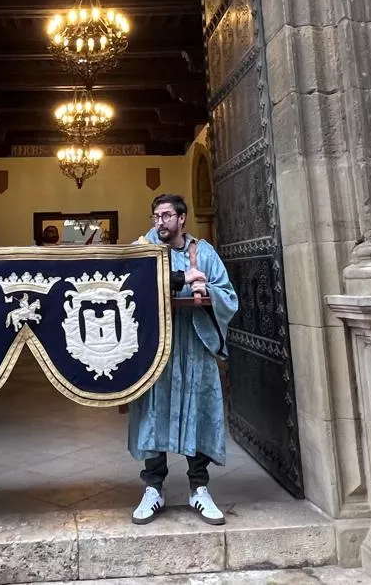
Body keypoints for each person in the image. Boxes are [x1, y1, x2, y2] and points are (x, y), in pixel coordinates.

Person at [127, 193, 238, 526]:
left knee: (198, 412)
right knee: (154, 412)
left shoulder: (204, 253)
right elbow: (130, 288)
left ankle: (199, 488)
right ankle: (153, 488)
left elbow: (227, 294)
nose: (159, 222)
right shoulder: (142, 251)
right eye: (155, 216)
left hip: (194, 345)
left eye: (165, 216)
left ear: (181, 218)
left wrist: (207, 288)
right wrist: (181, 280)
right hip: (155, 348)